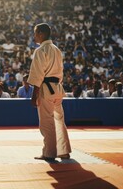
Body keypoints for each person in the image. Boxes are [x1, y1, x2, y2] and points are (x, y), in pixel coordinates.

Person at [27, 23, 71, 161]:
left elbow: (38, 75)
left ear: (41, 33)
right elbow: (61, 71)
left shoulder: (41, 50)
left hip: (46, 90)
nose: (34, 36)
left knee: (47, 122)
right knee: (59, 120)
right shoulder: (56, 49)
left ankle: (49, 152)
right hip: (57, 88)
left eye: (35, 33)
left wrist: (34, 95)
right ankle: (63, 151)